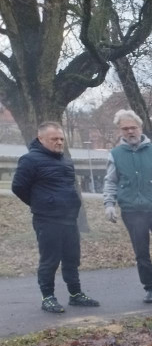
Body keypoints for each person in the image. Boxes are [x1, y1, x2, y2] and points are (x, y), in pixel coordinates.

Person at [11, 122, 100, 313]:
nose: (59, 142)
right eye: (54, 139)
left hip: (69, 219)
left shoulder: (66, 160)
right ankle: (48, 297)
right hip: (47, 220)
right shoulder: (29, 160)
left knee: (71, 258)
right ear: (41, 139)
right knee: (50, 260)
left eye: (61, 139)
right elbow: (18, 187)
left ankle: (75, 294)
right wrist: (42, 204)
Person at [103, 110, 152, 304]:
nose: (130, 131)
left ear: (140, 128)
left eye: (133, 127)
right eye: (125, 128)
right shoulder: (115, 155)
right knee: (141, 254)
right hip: (132, 211)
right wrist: (109, 204)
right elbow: (110, 181)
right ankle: (150, 289)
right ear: (120, 131)